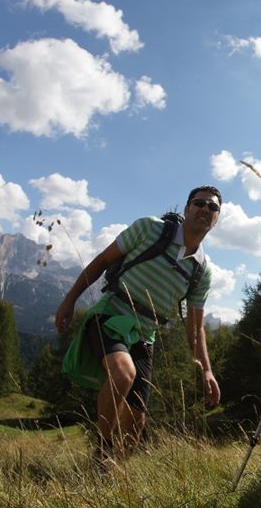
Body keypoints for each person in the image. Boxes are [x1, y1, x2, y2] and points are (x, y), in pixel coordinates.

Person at [55, 185, 223, 466]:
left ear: (217, 218)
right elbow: (102, 260)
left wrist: (206, 369)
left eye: (213, 207)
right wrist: (70, 300)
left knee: (136, 422)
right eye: (199, 203)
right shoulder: (149, 229)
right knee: (123, 374)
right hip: (111, 313)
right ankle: (103, 451)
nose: (205, 209)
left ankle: (114, 475)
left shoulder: (201, 271)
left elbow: (196, 328)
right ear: (187, 208)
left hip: (145, 334)